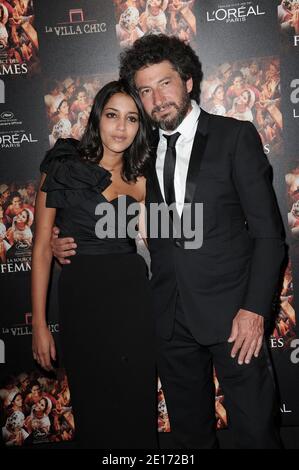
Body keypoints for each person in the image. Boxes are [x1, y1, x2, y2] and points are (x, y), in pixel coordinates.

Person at [52, 35, 285, 449]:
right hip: (168, 321)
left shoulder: (234, 137)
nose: (156, 98)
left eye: (165, 83)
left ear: (189, 81)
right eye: (144, 89)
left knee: (255, 434)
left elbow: (268, 233)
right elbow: (140, 221)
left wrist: (253, 309)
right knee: (190, 437)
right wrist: (66, 239)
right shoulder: (138, 154)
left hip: (234, 318)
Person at [31, 80, 157, 449]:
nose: (121, 128)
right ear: (96, 118)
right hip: (82, 301)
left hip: (133, 304)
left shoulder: (142, 179)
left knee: (136, 409)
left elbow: (157, 242)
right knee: (94, 409)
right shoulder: (63, 163)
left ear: (140, 126)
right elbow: (40, 248)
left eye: (131, 119)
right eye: (112, 115)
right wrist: (39, 323)